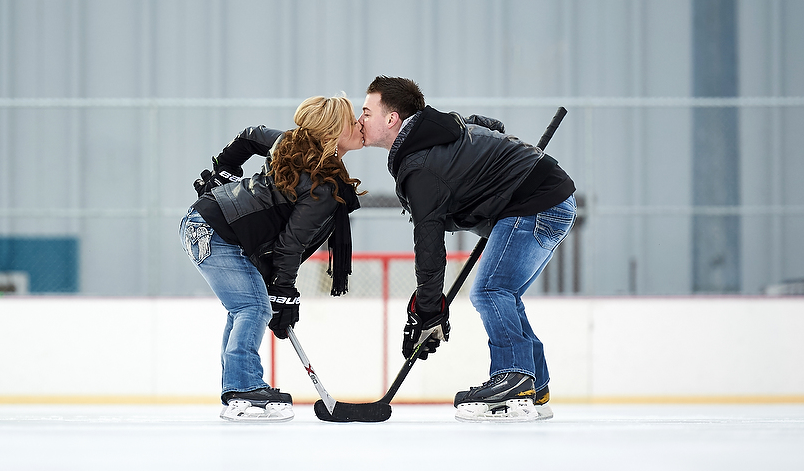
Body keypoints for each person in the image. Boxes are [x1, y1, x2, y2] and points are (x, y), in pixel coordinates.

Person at [358, 76, 576, 422]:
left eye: (367, 112)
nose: (360, 120)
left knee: (492, 291)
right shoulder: (434, 134)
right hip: (547, 199)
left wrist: (429, 311)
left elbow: (428, 243)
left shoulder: (420, 166)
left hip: (535, 203)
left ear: (392, 118)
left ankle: (514, 382)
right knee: (504, 293)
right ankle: (535, 387)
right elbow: (490, 126)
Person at [180, 94, 365, 422]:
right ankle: (244, 389)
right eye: (352, 121)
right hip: (214, 230)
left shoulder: (290, 145)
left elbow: (251, 134)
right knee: (252, 307)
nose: (359, 125)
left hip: (207, 224)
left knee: (245, 307)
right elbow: (290, 243)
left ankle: (237, 389)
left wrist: (223, 170)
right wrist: (283, 291)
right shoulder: (322, 184)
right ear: (334, 132)